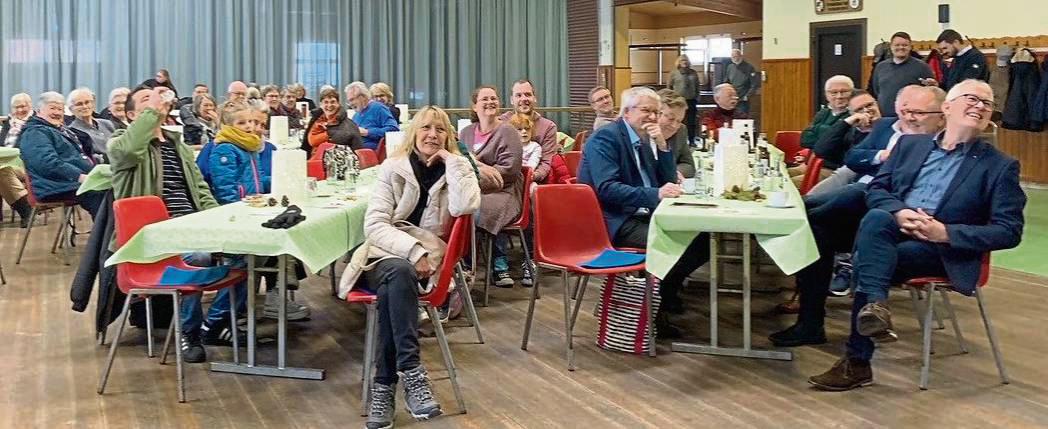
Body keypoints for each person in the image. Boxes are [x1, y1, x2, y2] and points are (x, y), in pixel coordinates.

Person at [808, 80, 1026, 391]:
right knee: (877, 219)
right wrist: (899, 211)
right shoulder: (911, 145)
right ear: (947, 108)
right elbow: (878, 189)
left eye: (987, 104)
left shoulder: (999, 166)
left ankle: (859, 358)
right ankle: (874, 317)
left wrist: (944, 232)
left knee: (871, 257)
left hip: (941, 250)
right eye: (972, 99)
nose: (980, 106)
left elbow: (1009, 231)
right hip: (893, 230)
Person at [769, 85, 947, 347]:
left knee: (850, 196)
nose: (909, 117)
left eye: (918, 112)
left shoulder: (940, 144)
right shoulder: (887, 127)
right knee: (817, 232)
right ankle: (810, 324)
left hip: (893, 215)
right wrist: (879, 156)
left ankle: (790, 219)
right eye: (905, 110)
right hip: (865, 203)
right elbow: (852, 157)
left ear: (942, 115)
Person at [359, 105, 480, 428]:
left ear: (448, 137)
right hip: (383, 255)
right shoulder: (392, 168)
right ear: (414, 132)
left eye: (440, 130)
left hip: (428, 266)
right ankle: (412, 372)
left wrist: (455, 161)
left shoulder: (453, 168)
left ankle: (383, 387)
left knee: (394, 289)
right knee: (398, 272)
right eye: (426, 127)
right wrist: (413, 251)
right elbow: (374, 226)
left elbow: (466, 205)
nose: (432, 135)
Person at [108, 85, 245, 363]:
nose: (156, 101)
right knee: (198, 257)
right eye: (146, 101)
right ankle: (188, 332)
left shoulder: (176, 143)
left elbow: (199, 187)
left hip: (191, 225)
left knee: (248, 252)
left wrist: (222, 220)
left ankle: (215, 323)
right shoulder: (120, 142)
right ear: (133, 114)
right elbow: (129, 150)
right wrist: (152, 112)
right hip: (153, 237)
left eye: (157, 98)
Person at [577, 87, 710, 335]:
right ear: (626, 112)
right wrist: (655, 194)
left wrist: (661, 144)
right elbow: (607, 189)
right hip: (614, 220)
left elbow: (668, 179)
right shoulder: (606, 138)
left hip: (643, 213)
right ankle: (655, 314)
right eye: (646, 110)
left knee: (704, 239)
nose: (652, 117)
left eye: (656, 112)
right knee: (680, 244)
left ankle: (663, 300)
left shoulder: (644, 138)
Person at [460, 85, 523, 287]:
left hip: (504, 191)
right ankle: (458, 264)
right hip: (471, 189)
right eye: (484, 99)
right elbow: (459, 162)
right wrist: (477, 170)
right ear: (474, 106)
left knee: (475, 210)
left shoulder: (508, 131)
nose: (490, 102)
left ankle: (485, 265)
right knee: (451, 208)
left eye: (494, 98)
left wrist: (473, 170)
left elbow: (508, 171)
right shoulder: (466, 132)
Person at [17, 91, 104, 218]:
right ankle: (105, 235)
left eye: (60, 109)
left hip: (72, 182)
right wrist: (79, 176)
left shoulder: (59, 130)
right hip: (55, 185)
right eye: (52, 108)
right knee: (101, 194)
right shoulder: (35, 132)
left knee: (117, 187)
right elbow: (47, 163)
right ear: (39, 111)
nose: (57, 113)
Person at [498, 80, 559, 184]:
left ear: (534, 98)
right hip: (504, 181)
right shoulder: (500, 123)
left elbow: (546, 162)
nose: (524, 99)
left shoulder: (548, 127)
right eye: (518, 95)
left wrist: (531, 176)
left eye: (528, 94)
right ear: (512, 100)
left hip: (533, 181)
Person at [869, 32, 935, 116]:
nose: (901, 47)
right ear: (891, 47)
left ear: (910, 47)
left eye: (904, 45)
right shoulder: (880, 67)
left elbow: (930, 92)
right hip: (884, 117)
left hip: (911, 117)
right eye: (897, 45)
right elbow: (876, 90)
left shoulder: (922, 67)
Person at [0, 93, 35, 226]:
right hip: (6, 162)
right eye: (16, 107)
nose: (20, 110)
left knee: (3, 172)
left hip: (25, 164)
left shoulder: (35, 123)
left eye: (23, 106)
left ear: (30, 106)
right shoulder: (8, 123)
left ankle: (26, 210)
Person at [302, 87, 363, 156]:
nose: (329, 105)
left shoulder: (349, 125)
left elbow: (358, 151)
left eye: (333, 102)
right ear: (320, 104)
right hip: (312, 160)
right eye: (326, 102)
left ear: (338, 104)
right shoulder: (315, 119)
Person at [345, 81, 399, 151]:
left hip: (371, 155)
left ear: (362, 97)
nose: (350, 104)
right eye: (349, 101)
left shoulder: (379, 108)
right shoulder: (356, 115)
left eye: (352, 100)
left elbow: (393, 130)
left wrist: (367, 132)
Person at [655, 89, 695, 179]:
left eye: (679, 121)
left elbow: (689, 166)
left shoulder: (681, 130)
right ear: (656, 114)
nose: (674, 126)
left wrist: (675, 173)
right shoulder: (641, 133)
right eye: (670, 118)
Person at [67, 87, 116, 157]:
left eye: (87, 102)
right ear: (71, 109)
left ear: (93, 104)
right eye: (79, 104)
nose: (84, 106)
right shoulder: (72, 131)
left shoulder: (107, 124)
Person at [668, 55, 700, 143]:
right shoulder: (674, 73)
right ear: (678, 62)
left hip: (691, 100)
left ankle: (691, 140)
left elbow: (697, 86)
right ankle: (679, 141)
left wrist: (697, 97)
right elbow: (669, 87)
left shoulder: (693, 73)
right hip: (679, 101)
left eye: (686, 60)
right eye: (682, 60)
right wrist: (672, 100)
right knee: (679, 122)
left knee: (691, 122)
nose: (684, 62)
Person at [723, 49, 759, 114]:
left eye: (735, 56)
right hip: (732, 98)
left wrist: (747, 96)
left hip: (743, 99)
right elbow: (726, 82)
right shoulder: (730, 67)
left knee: (742, 119)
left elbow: (754, 84)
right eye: (732, 56)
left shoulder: (749, 67)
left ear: (740, 56)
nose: (733, 58)